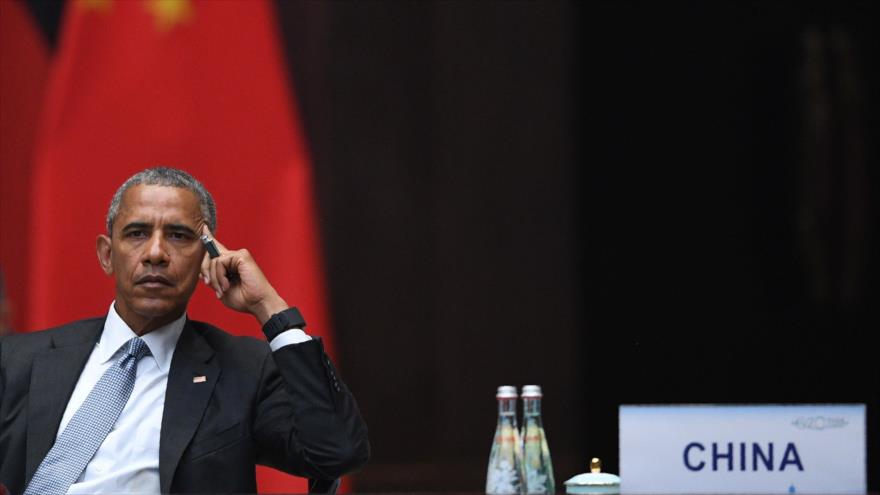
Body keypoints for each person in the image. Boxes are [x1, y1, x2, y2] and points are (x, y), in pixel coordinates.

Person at [0, 167, 369, 494]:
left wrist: (269, 307)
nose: (156, 252)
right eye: (137, 233)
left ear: (207, 259)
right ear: (107, 255)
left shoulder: (245, 371)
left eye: (178, 236)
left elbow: (335, 451)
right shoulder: (18, 360)